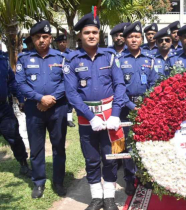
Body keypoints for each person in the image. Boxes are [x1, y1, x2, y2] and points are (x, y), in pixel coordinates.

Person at [63, 12, 126, 210]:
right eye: (87, 32)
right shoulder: (72, 60)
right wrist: (90, 117)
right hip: (85, 119)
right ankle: (96, 197)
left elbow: (120, 85)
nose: (91, 35)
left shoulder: (110, 56)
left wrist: (116, 113)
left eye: (95, 32)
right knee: (91, 159)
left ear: (99, 35)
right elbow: (71, 93)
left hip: (109, 116)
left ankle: (109, 197)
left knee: (110, 157)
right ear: (80, 35)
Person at [16, 20, 68, 199]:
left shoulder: (61, 58)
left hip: (58, 108)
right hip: (34, 109)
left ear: (50, 38)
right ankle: (38, 182)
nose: (41, 40)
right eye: (38, 37)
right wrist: (40, 99)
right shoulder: (24, 58)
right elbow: (20, 83)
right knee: (37, 148)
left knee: (59, 147)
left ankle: (58, 181)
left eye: (45, 37)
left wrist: (50, 100)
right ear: (32, 38)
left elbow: (66, 82)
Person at [119, 21, 158, 194]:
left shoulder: (150, 59)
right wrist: (131, 105)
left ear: (141, 38)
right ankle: (129, 178)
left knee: (145, 143)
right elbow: (117, 86)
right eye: (130, 37)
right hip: (125, 108)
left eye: (136, 36)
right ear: (125, 39)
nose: (134, 40)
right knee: (127, 144)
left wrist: (145, 105)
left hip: (145, 107)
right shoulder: (119, 60)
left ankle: (144, 176)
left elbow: (154, 84)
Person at [0, 50, 31, 178]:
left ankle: (23, 164)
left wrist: (21, 99)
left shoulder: (3, 60)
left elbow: (12, 82)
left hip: (3, 108)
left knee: (13, 135)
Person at [54, 34, 76, 128]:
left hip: (69, 80)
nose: (62, 44)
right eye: (60, 42)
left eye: (63, 42)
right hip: (58, 81)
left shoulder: (71, 53)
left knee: (69, 101)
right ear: (57, 43)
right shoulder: (53, 54)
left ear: (66, 42)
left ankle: (69, 119)